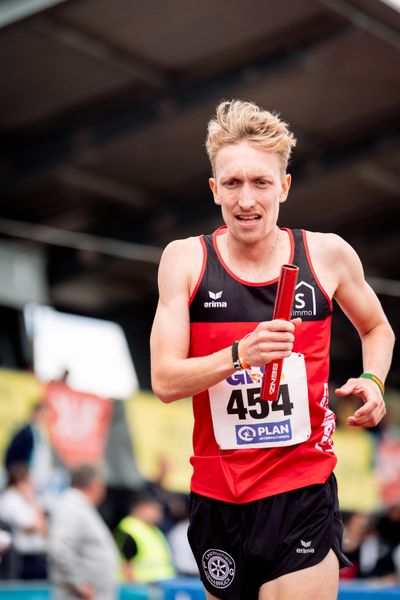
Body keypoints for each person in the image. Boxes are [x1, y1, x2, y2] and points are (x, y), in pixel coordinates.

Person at [150, 100, 395, 600]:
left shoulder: (325, 254)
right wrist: (240, 355)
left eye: (261, 182)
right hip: (218, 496)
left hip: (301, 489)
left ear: (284, 186)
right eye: (233, 183)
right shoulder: (185, 261)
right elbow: (164, 381)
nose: (247, 199)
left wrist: (373, 381)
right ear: (215, 188)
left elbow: (378, 329)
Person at [47, 463, 119, 600]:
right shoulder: (71, 507)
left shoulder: (81, 506)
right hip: (78, 595)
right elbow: (59, 548)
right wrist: (78, 583)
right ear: (95, 484)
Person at [114, 492, 176, 584]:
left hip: (162, 586)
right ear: (141, 507)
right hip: (143, 588)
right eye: (155, 509)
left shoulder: (153, 529)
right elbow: (126, 565)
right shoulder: (130, 528)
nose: (160, 513)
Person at [0, 462, 48, 580]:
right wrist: (33, 501)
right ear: (20, 481)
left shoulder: (27, 499)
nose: (32, 485)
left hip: (35, 555)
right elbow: (32, 527)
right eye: (29, 481)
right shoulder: (10, 499)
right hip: (21, 556)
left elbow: (43, 527)